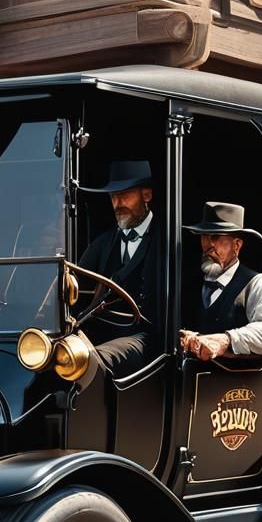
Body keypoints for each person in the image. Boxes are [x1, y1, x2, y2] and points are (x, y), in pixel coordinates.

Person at [179, 202, 262, 361]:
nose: (208, 245)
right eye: (204, 237)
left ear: (237, 245)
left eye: (216, 237)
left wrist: (225, 340)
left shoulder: (260, 285)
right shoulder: (188, 285)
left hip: (237, 382)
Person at [78, 160, 159, 377]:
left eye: (125, 195)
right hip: (103, 332)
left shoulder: (169, 243)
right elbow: (76, 286)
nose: (118, 203)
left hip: (150, 338)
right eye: (113, 197)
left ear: (147, 196)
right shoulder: (101, 244)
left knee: (88, 361)